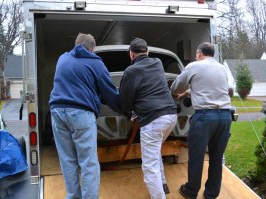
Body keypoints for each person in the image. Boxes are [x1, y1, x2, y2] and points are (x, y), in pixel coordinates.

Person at [49, 33, 120, 199]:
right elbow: (108, 91)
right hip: (80, 114)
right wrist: (122, 106)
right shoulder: (95, 62)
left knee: (67, 160)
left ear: (75, 45)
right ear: (93, 49)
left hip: (57, 112)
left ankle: (73, 196)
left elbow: (80, 84)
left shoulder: (63, 59)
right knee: (88, 163)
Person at [170, 42, 232, 199]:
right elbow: (221, 89)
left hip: (204, 117)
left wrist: (182, 92)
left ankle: (191, 191)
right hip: (225, 117)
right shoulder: (222, 68)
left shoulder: (193, 66)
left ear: (199, 53)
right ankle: (211, 194)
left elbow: (175, 88)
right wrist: (189, 92)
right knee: (217, 157)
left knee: (197, 156)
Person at [119, 37, 178, 199]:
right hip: (171, 116)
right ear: (148, 52)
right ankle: (163, 183)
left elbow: (125, 102)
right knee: (155, 150)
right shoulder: (157, 63)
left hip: (154, 121)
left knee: (149, 166)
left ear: (131, 55)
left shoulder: (131, 71)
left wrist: (129, 110)